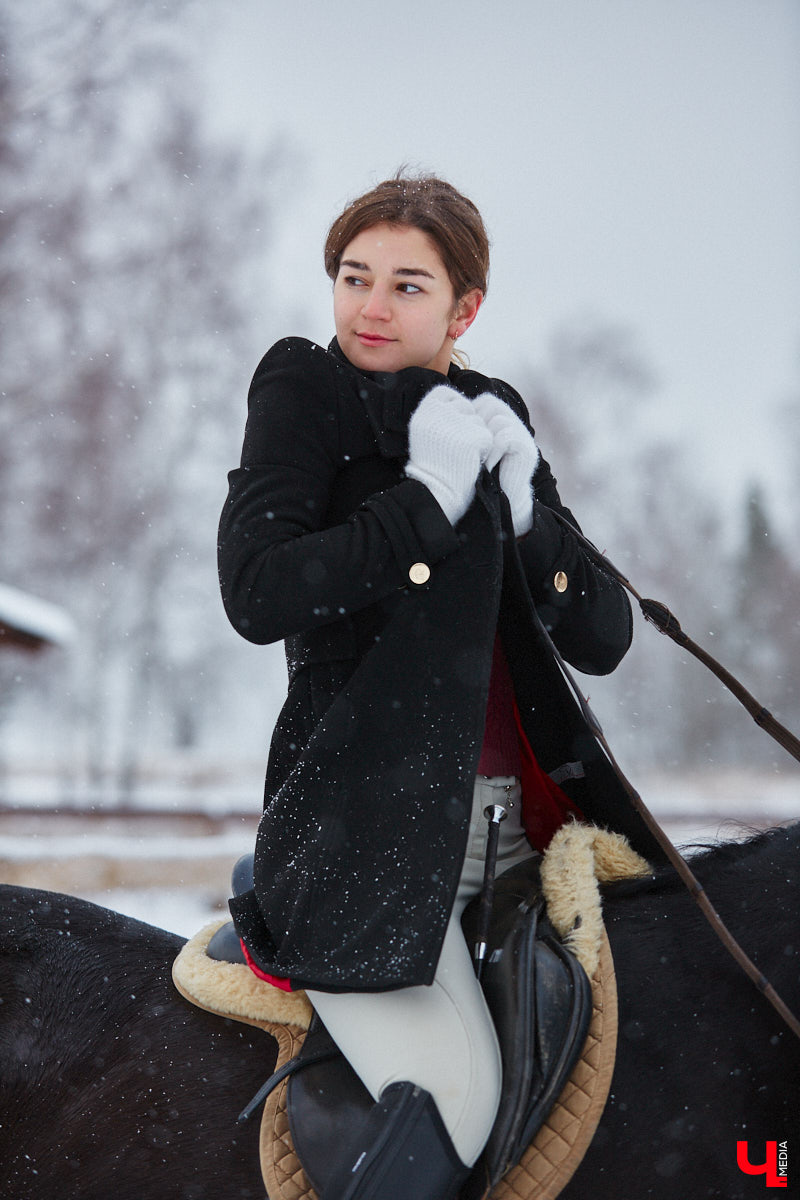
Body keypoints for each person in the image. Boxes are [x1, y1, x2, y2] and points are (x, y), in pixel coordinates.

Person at [217, 174, 663, 1200]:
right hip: (358, 840)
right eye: (352, 276)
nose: (370, 306)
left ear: (463, 309)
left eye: (405, 286)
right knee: (457, 1105)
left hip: (524, 840)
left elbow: (602, 635)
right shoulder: (301, 389)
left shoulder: (491, 411)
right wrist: (423, 505)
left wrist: (525, 516)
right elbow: (256, 592)